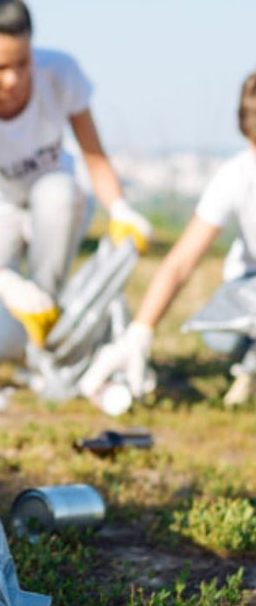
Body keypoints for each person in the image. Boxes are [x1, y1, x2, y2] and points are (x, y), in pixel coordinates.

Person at [0, 0, 152, 361]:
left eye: (22, 63)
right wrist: (8, 283)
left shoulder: (61, 72)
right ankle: (34, 318)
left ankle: (51, 315)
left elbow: (94, 159)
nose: (12, 79)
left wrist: (119, 208)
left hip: (54, 200)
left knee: (60, 192)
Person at [80, 71, 256, 407]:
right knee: (219, 336)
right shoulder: (237, 175)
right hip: (249, 287)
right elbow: (180, 262)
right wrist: (140, 332)